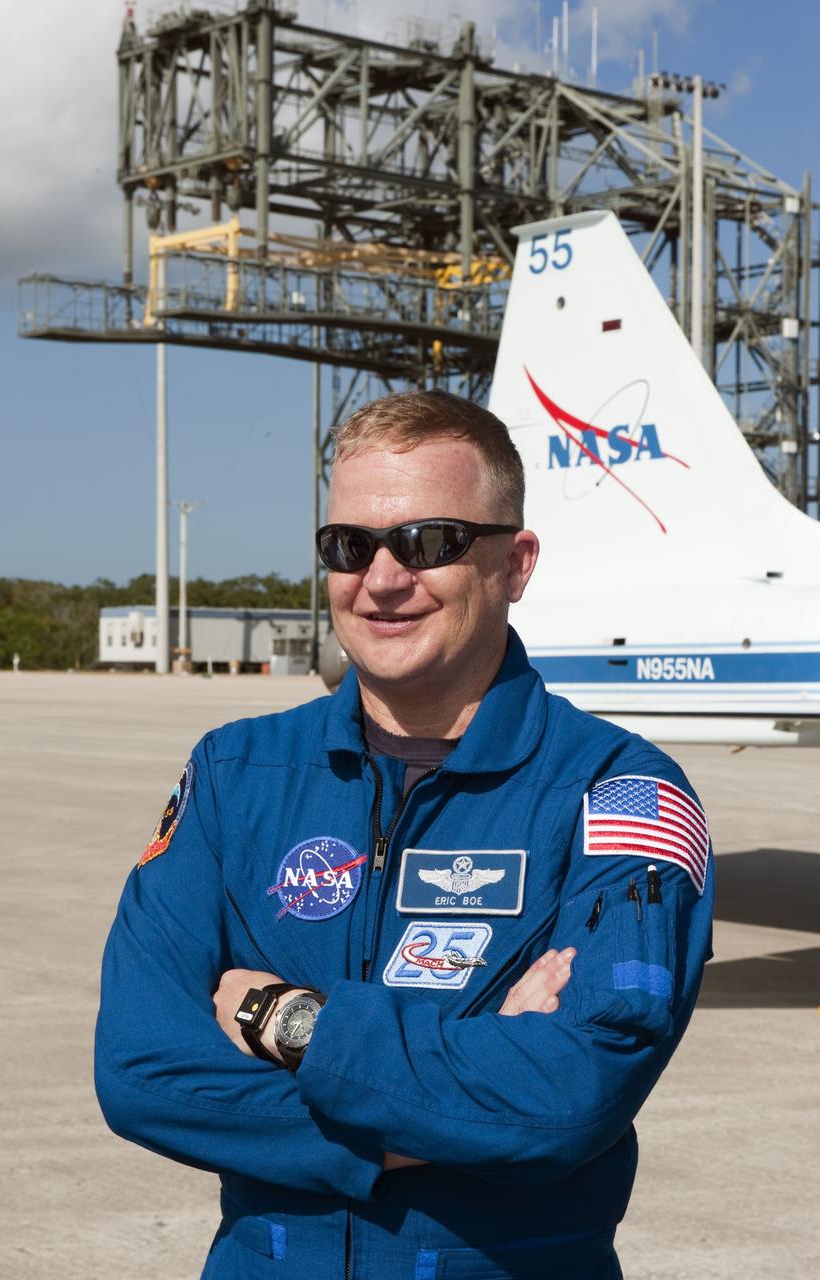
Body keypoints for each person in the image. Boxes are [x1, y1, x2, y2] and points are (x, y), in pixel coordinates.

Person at [95, 389, 714, 1279]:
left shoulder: (620, 792)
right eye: (350, 545)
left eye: (431, 542)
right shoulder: (235, 776)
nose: (382, 579)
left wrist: (285, 1020)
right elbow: (140, 1070)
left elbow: (569, 1098)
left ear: (516, 562)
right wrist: (444, 1105)